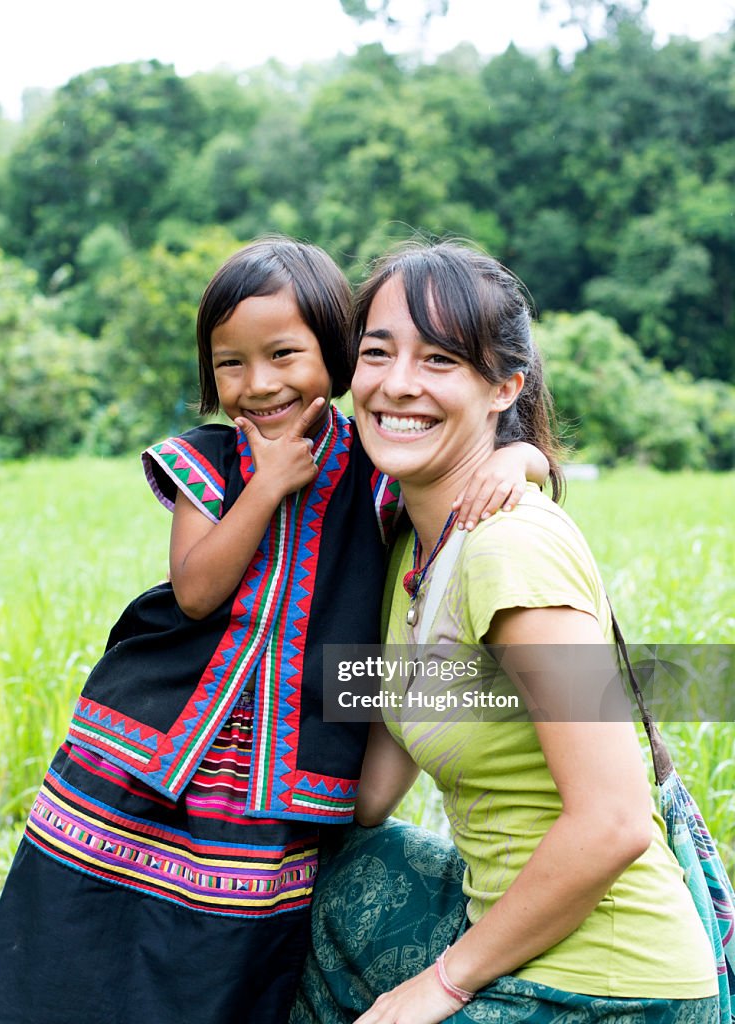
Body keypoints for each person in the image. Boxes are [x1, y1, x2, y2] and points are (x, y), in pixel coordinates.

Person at [0, 237, 549, 1024]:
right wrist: (266, 485)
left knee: (221, 962)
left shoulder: (379, 465)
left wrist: (523, 463)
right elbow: (197, 591)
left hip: (278, 781)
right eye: (230, 362)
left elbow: (475, 456)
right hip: (144, 747)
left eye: (284, 354)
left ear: (337, 356)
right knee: (76, 935)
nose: (259, 383)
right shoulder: (206, 459)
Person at [291, 240, 719, 1024]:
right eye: (377, 352)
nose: (397, 384)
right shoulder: (410, 553)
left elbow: (615, 820)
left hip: (610, 987)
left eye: (440, 360)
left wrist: (440, 985)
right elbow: (373, 796)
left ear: (504, 388)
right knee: (313, 883)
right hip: (515, 935)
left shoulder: (508, 550)